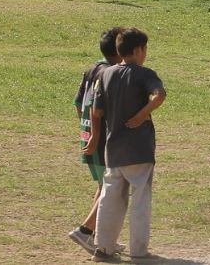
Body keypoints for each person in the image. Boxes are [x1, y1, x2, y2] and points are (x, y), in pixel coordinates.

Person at [84, 28, 166, 263]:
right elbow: (159, 95)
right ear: (139, 50)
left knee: (111, 198)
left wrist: (98, 133)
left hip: (113, 149)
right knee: (140, 199)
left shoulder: (106, 74)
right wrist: (142, 115)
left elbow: (97, 110)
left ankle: (103, 247)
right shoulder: (144, 74)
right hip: (139, 148)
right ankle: (139, 250)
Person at [68, 27, 124, 255]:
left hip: (89, 136)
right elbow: (99, 110)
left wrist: (86, 131)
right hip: (101, 140)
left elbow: (77, 103)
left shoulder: (92, 68)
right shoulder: (111, 73)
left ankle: (101, 235)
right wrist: (96, 135)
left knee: (104, 186)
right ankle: (85, 231)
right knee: (112, 189)